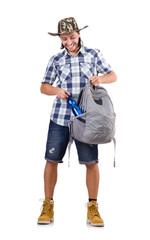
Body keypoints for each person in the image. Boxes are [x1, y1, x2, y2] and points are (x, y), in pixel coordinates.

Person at [37, 17, 117, 227]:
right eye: (64, 38)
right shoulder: (56, 59)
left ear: (79, 34)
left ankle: (93, 207)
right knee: (51, 160)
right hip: (60, 118)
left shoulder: (93, 54)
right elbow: (44, 87)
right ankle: (47, 205)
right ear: (60, 39)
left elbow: (113, 75)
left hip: (87, 119)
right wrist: (57, 91)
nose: (69, 42)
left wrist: (100, 79)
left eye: (72, 37)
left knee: (91, 163)